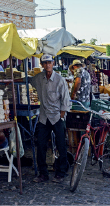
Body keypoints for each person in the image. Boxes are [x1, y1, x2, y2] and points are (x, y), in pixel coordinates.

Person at [32, 54, 71, 184]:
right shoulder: (39, 78)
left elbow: (66, 100)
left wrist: (61, 116)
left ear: (53, 63)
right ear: (42, 65)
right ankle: (43, 173)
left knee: (61, 145)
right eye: (45, 63)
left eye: (50, 62)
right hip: (44, 117)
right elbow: (28, 80)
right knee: (41, 144)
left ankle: (61, 172)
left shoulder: (60, 80)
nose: (48, 65)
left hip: (57, 117)